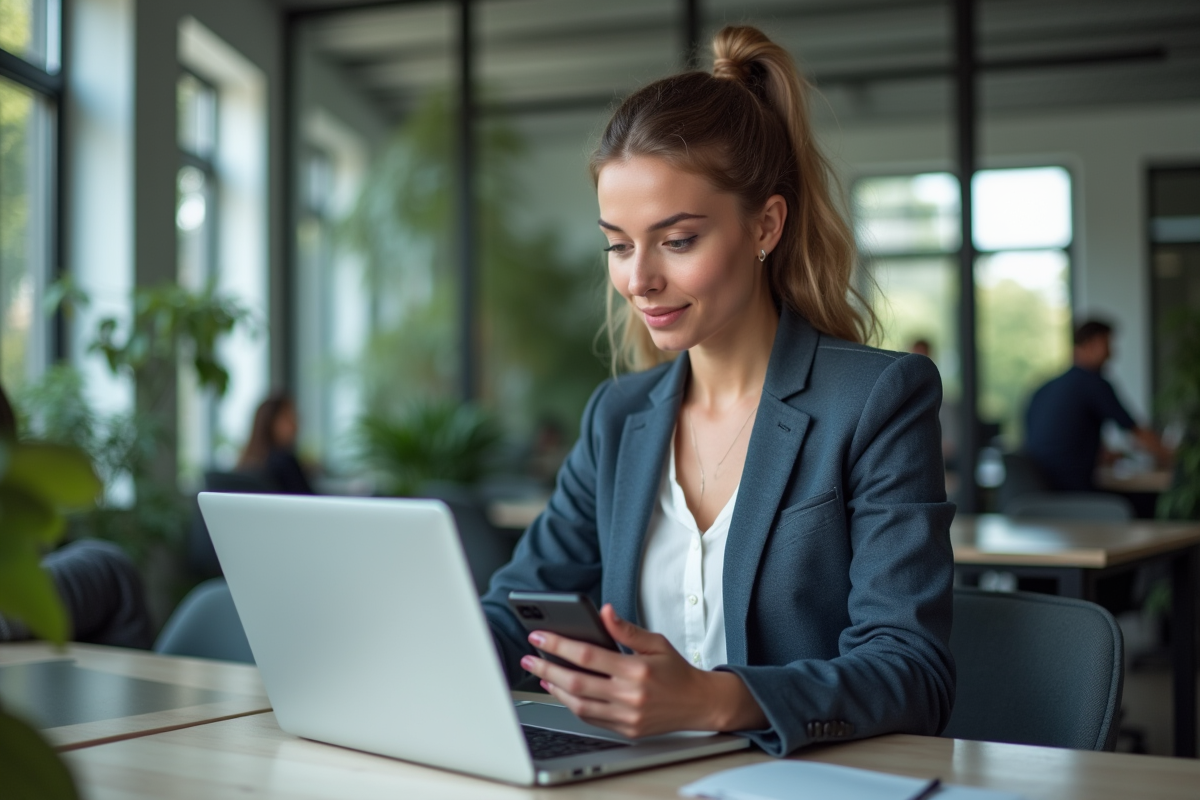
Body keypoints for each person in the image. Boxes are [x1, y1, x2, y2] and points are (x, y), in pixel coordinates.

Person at [477, 26, 954, 757]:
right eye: (618, 243)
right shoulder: (619, 417)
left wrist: (717, 699)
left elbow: (912, 672)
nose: (639, 279)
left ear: (765, 224)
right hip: (643, 776)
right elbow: (517, 616)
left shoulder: (876, 399)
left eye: (677, 240)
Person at [1025, 319, 1170, 492]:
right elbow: (1136, 432)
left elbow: (1050, 442)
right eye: (1107, 344)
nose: (1111, 353)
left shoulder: (1044, 388)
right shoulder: (1093, 384)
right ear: (1091, 344)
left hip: (1039, 491)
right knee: (1146, 501)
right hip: (1073, 490)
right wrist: (1175, 459)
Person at [237, 392, 315, 494]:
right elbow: (309, 501)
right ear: (270, 423)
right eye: (288, 417)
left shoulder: (245, 463)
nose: (295, 423)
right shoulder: (283, 462)